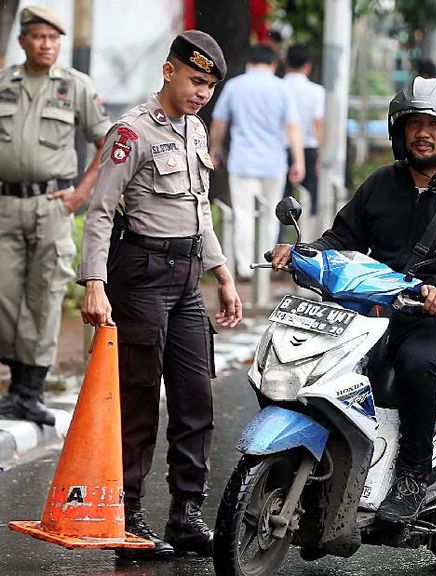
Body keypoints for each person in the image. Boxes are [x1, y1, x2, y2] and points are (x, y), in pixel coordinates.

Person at [270, 77, 436, 524]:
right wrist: (300, 252)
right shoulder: (380, 185)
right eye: (414, 123)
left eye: (435, 126)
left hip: (433, 323)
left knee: (418, 363)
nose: (423, 133)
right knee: (319, 363)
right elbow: (341, 238)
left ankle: (413, 477)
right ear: (400, 131)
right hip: (371, 312)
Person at [78, 31, 243, 560]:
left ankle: (186, 513)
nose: (202, 94)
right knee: (139, 398)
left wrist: (223, 274)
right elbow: (102, 211)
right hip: (141, 275)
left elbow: (200, 209)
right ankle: (127, 515)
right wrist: (95, 284)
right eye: (196, 81)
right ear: (169, 71)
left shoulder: (196, 131)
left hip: (187, 277)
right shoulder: (132, 132)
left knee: (196, 396)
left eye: (211, 87)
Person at [0, 6, 110, 425]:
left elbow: (106, 141)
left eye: (54, 38)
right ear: (23, 40)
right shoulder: (4, 84)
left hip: (52, 205)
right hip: (6, 206)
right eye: (39, 37)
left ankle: (30, 390)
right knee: (6, 295)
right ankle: (16, 382)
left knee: (45, 293)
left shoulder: (75, 86)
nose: (47, 45)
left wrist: (80, 194)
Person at [210, 44, 304, 281]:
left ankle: (244, 267)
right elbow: (292, 127)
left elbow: (220, 122)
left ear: (250, 63)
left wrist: (215, 149)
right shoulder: (282, 88)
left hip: (243, 161)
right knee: (273, 213)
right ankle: (269, 261)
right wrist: (298, 160)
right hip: (274, 162)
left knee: (243, 214)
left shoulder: (235, 86)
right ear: (273, 64)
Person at [280, 44, 325, 227]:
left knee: (281, 202)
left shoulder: (279, 87)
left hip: (282, 148)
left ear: (286, 62)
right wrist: (320, 156)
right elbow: (318, 125)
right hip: (308, 148)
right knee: (307, 201)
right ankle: (306, 242)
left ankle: (278, 242)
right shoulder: (316, 91)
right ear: (308, 65)